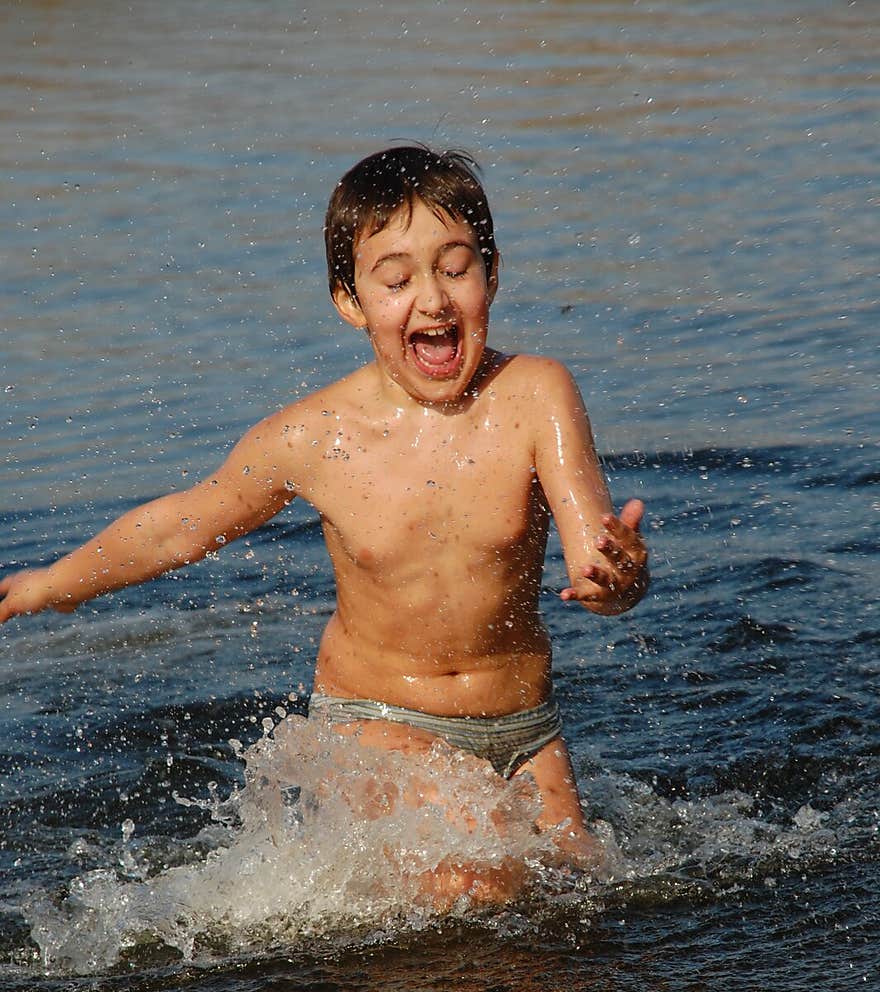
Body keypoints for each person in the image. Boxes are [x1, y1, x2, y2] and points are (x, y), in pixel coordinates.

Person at [0, 143, 649, 890]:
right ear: (351, 301)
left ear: (492, 274)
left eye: (456, 266)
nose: (432, 299)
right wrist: (54, 585)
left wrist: (619, 581)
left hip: (525, 730)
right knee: (479, 876)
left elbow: (596, 558)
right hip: (378, 724)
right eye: (397, 278)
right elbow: (182, 525)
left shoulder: (538, 396)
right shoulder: (315, 437)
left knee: (586, 886)